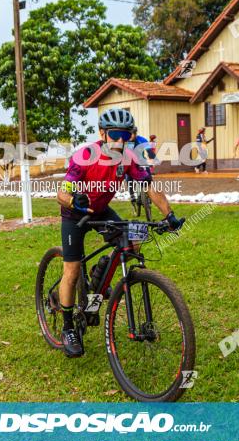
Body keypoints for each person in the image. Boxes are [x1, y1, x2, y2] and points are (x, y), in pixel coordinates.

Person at [55, 108, 185, 358]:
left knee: (132, 242)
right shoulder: (84, 155)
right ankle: (69, 327)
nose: (120, 140)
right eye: (115, 134)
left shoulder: (129, 157)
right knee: (71, 271)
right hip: (75, 214)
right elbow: (61, 194)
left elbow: (148, 187)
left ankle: (101, 273)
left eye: (125, 135)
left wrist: (169, 215)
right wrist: (74, 202)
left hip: (101, 210)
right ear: (102, 134)